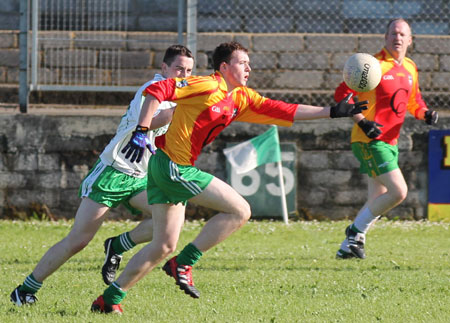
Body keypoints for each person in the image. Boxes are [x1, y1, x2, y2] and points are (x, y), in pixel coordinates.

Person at [89, 40, 369, 314]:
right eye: (242, 63)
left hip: (168, 167)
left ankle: (109, 299)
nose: (249, 68)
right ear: (224, 67)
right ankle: (183, 263)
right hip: (173, 167)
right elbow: (156, 90)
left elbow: (282, 109)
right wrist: (142, 129)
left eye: (249, 63)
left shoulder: (241, 97)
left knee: (163, 245)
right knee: (240, 210)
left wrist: (332, 112)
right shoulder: (208, 85)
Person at [10, 45, 195, 306]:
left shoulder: (179, 95)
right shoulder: (151, 90)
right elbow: (152, 121)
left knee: (168, 222)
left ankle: (118, 245)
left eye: (188, 70)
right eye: (178, 68)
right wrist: (185, 108)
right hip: (113, 172)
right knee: (78, 241)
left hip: (142, 175)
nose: (183, 74)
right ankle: (25, 289)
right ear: (163, 68)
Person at [334, 18, 438, 260]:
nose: (397, 37)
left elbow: (413, 101)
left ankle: (348, 247)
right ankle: (354, 231)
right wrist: (363, 121)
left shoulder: (410, 67)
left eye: (402, 34)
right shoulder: (372, 65)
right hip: (369, 140)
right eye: (393, 33)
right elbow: (342, 95)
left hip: (390, 142)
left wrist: (425, 113)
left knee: (376, 199)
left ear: (410, 40)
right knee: (399, 192)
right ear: (385, 37)